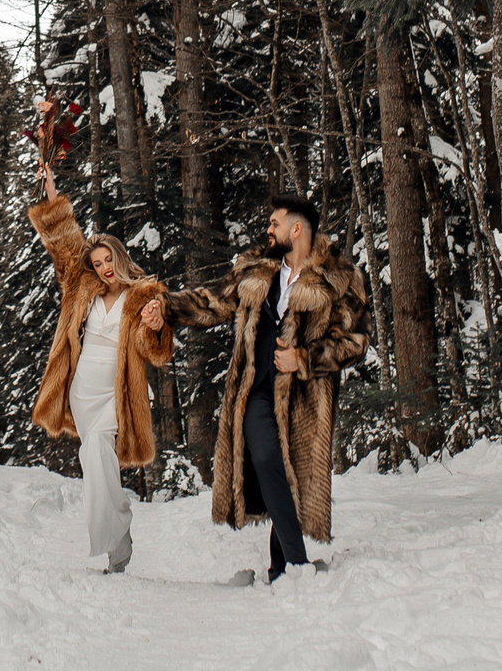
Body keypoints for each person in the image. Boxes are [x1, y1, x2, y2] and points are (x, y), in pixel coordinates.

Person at [144, 190, 366, 584]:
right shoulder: (257, 271)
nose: (268, 229)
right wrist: (167, 308)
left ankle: (281, 568)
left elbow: (355, 342)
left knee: (290, 474)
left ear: (296, 229)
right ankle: (298, 566)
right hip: (256, 388)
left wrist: (304, 358)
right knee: (265, 459)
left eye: (275, 223)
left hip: (305, 398)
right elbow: (213, 301)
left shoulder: (341, 278)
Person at [26, 160, 173, 573]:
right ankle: (118, 543)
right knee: (94, 461)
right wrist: (50, 192)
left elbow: (157, 351)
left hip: (118, 393)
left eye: (109, 259)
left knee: (95, 449)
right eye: (97, 263)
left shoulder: (144, 293)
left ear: (120, 257)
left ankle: (118, 524)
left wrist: (156, 326)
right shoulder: (82, 287)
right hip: (83, 392)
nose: (104, 267)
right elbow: (63, 243)